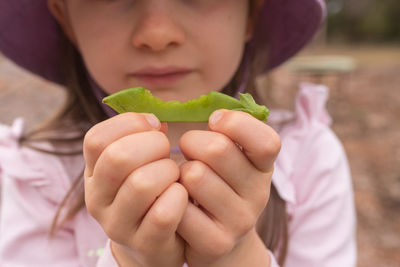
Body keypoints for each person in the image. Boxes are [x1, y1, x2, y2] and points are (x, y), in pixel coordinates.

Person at [0, 0, 357, 266]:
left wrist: (237, 257)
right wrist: (129, 258)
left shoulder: (309, 160)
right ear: (65, 17)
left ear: (252, 12)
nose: (158, 36)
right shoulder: (36, 178)